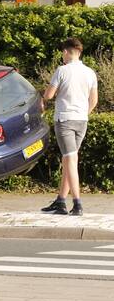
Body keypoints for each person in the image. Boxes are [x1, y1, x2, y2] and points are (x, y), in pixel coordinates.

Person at [41, 38, 98, 216]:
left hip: (65, 120)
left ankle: (77, 203)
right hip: (82, 121)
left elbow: (49, 95)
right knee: (70, 161)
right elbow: (94, 101)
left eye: (62, 53)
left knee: (70, 161)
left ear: (66, 52)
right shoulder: (90, 73)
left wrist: (41, 99)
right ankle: (60, 201)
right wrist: (83, 113)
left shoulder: (62, 70)